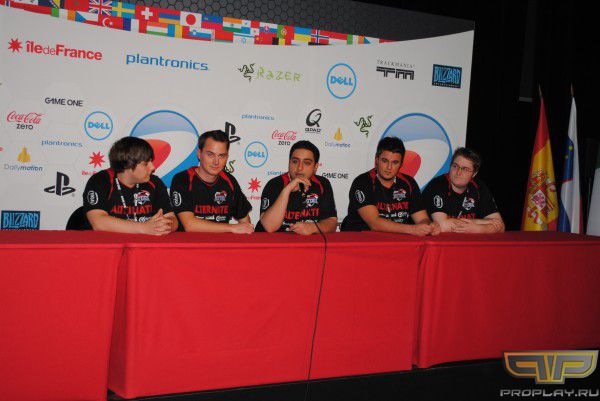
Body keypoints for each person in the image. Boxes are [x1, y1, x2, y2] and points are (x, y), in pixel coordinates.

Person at [341, 137, 440, 236]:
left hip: (397, 241)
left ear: (401, 164)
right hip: (363, 241)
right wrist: (412, 229)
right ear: (376, 160)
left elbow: (422, 219)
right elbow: (375, 224)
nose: (389, 167)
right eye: (385, 161)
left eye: (395, 162)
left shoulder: (409, 183)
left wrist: (428, 226)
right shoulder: (362, 182)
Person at [83, 137, 178, 235]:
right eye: (145, 164)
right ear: (127, 165)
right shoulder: (101, 180)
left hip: (144, 242)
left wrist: (165, 225)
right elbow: (98, 222)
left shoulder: (155, 182)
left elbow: (172, 219)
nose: (152, 167)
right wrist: (144, 228)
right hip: (108, 242)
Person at [169, 130, 253, 233]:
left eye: (221, 156)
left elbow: (245, 223)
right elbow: (189, 225)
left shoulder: (229, 181)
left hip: (222, 242)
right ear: (199, 154)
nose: (216, 162)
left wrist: (243, 229)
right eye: (210, 154)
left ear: (227, 157)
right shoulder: (182, 179)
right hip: (190, 242)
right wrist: (231, 228)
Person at [256, 140, 337, 235]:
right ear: (289, 163)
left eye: (306, 163)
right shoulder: (274, 184)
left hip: (306, 242)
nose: (299, 168)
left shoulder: (322, 183)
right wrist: (287, 190)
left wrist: (312, 227)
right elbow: (269, 227)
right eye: (295, 161)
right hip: (274, 241)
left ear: (315, 167)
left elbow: (331, 223)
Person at [422, 147, 505, 233]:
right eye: (455, 166)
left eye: (465, 169)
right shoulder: (437, 185)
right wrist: (482, 222)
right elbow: (442, 226)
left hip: (466, 240)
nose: (458, 172)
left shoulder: (479, 187)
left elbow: (500, 226)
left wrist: (477, 229)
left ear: (474, 173)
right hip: (437, 240)